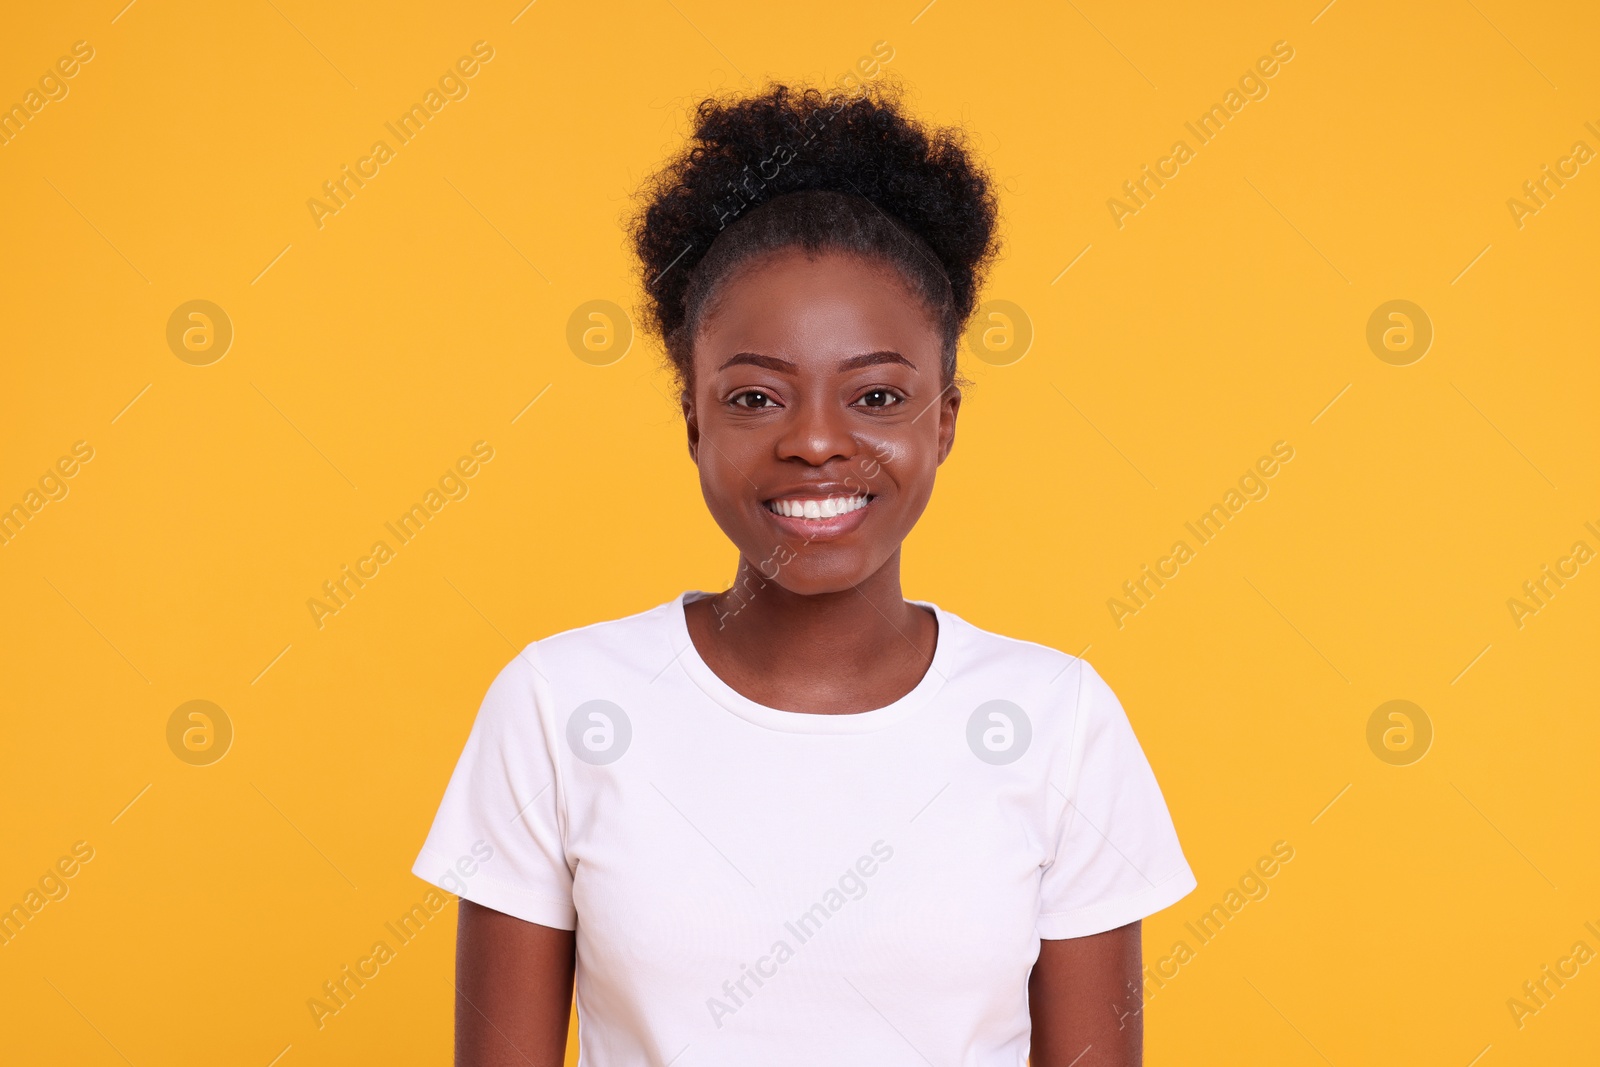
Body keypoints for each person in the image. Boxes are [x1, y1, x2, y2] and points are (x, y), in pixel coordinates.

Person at [413, 81, 1195, 1067]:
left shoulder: (1059, 721)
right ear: (694, 418)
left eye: (875, 393)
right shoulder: (558, 704)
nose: (817, 440)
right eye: (754, 395)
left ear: (943, 418)